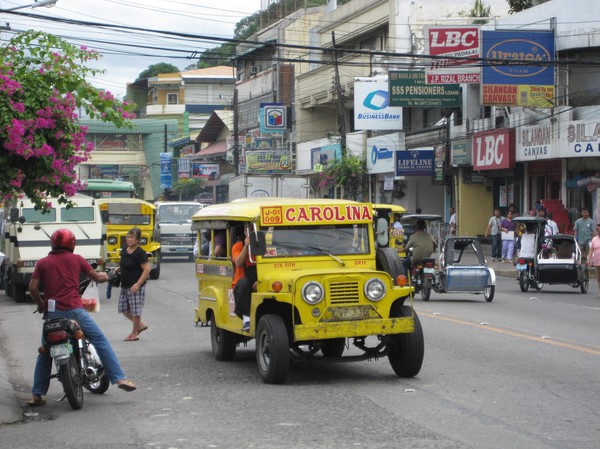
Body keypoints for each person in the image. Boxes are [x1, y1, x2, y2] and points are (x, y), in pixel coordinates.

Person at [28, 228, 136, 406]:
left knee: (45, 352)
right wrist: (108, 277)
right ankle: (119, 378)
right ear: (72, 243)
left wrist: (41, 304)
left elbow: (33, 287)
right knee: (100, 340)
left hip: (52, 314)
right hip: (74, 311)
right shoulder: (77, 259)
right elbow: (97, 277)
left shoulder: (43, 263)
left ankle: (37, 395)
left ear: (53, 243)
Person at [118, 227, 151, 341]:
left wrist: (138, 284)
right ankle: (140, 325)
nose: (129, 239)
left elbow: (147, 269)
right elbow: (123, 264)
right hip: (125, 284)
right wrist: (115, 271)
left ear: (137, 240)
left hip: (135, 285)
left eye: (132, 237)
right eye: (127, 237)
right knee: (123, 309)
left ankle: (134, 332)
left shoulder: (140, 253)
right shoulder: (124, 249)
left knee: (135, 311)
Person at [232, 224, 257, 331]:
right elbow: (238, 262)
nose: (251, 232)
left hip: (260, 279)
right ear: (245, 232)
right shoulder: (238, 246)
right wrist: (246, 246)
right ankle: (246, 319)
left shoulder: (264, 246)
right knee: (243, 284)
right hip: (243, 281)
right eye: (249, 229)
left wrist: (259, 281)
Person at [587, 224, 600, 296]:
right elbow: (591, 250)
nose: (597, 230)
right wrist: (589, 259)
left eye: (598, 229)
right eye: (596, 229)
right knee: (598, 278)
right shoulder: (594, 239)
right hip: (597, 262)